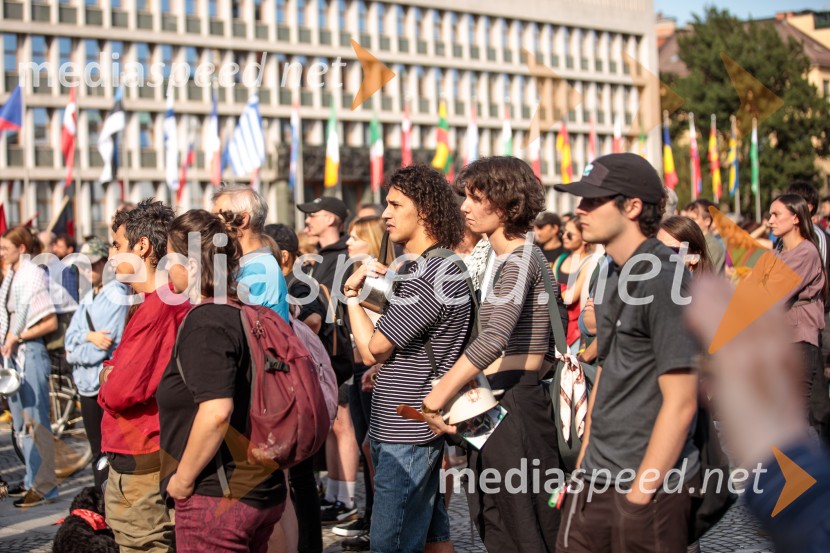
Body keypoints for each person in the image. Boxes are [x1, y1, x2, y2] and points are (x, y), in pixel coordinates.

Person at [553, 153, 700, 552]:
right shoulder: (617, 270)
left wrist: (639, 496)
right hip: (596, 477)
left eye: (592, 200)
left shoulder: (665, 277)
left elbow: (682, 401)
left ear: (632, 206)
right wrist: (583, 466)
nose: (579, 210)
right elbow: (609, 369)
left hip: (643, 486)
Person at [422, 157, 565, 553]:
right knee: (493, 518)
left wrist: (437, 398)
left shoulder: (520, 258)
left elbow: (493, 339)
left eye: (474, 198)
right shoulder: (498, 258)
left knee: (525, 523)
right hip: (492, 399)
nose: (464, 207)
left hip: (516, 401)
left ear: (504, 204)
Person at [343, 164, 470, 553]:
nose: (385, 214)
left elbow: (374, 348)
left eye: (395, 205)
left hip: (408, 430)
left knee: (391, 543)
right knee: (435, 536)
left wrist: (351, 296)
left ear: (426, 211)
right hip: (403, 424)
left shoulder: (432, 272)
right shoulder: (424, 268)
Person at [158, 209, 286, 552]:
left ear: (192, 264)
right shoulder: (241, 310)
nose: (167, 270)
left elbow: (216, 412)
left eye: (170, 259)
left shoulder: (207, 322)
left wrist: (182, 481)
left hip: (219, 495)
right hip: (258, 486)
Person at [686, 275, 830, 553]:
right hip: (778, 351)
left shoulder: (805, 253)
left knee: (801, 423)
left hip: (796, 346)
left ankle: (788, 492)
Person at [98, 200, 189, 552]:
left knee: (143, 544)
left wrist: (107, 379)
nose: (111, 256)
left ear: (143, 247)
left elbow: (121, 391)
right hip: (149, 451)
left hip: (143, 456)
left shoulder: (160, 305)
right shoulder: (160, 300)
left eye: (116, 245)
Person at [746, 194, 829, 440]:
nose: (770, 220)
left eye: (776, 214)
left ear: (795, 218)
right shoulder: (779, 251)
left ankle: (810, 475)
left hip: (799, 341)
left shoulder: (806, 252)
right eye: (770, 215)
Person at [265, 223, 326, 553]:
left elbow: (316, 322)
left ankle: (308, 546)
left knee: (299, 480)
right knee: (296, 481)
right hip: (295, 386)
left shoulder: (300, 284)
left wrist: (291, 324)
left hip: (298, 385)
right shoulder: (284, 283)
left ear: (282, 257)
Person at [298, 195, 358, 523]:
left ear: (332, 219)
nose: (308, 221)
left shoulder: (345, 254)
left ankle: (347, 500)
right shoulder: (321, 257)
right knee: (334, 423)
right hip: (327, 347)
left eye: (315, 215)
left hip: (339, 348)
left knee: (342, 422)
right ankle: (336, 495)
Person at [334, 215, 386, 550]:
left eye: (355, 236)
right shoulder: (360, 273)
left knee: (373, 448)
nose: (348, 241)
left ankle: (377, 520)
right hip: (361, 366)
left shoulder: (378, 276)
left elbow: (379, 331)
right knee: (370, 446)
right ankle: (371, 517)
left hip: (375, 367)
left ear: (371, 239)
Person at [64, 239, 131, 492]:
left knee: (106, 452)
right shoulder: (88, 295)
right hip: (85, 382)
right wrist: (86, 337)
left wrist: (77, 346)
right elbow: (72, 336)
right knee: (96, 451)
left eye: (90, 266)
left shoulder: (117, 294)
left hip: (102, 381)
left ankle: (108, 505)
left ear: (104, 264)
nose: (85, 271)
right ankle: (100, 506)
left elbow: (103, 346)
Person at [0, 227, 59, 508]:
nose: (1, 252)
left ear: (21, 248)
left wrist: (18, 336)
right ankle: (31, 479)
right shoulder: (13, 276)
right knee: (22, 424)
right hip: (14, 356)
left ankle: (45, 486)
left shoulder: (32, 275)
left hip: (30, 353)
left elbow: (50, 322)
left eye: (4, 247)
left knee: (37, 423)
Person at [211, 183, 289, 322]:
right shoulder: (250, 264)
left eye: (218, 217)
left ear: (243, 219)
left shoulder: (259, 270)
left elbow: (230, 323)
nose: (212, 224)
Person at [553, 217, 601, 353]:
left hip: (575, 331)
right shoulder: (561, 258)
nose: (564, 237)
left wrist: (552, 291)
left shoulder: (589, 263)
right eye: (563, 232)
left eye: (570, 234)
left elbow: (570, 297)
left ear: (584, 238)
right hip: (559, 325)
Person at [686, 199, 727, 273]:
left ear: (707, 221)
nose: (688, 222)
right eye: (687, 218)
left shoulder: (712, 246)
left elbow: (704, 275)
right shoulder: (689, 241)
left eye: (693, 219)